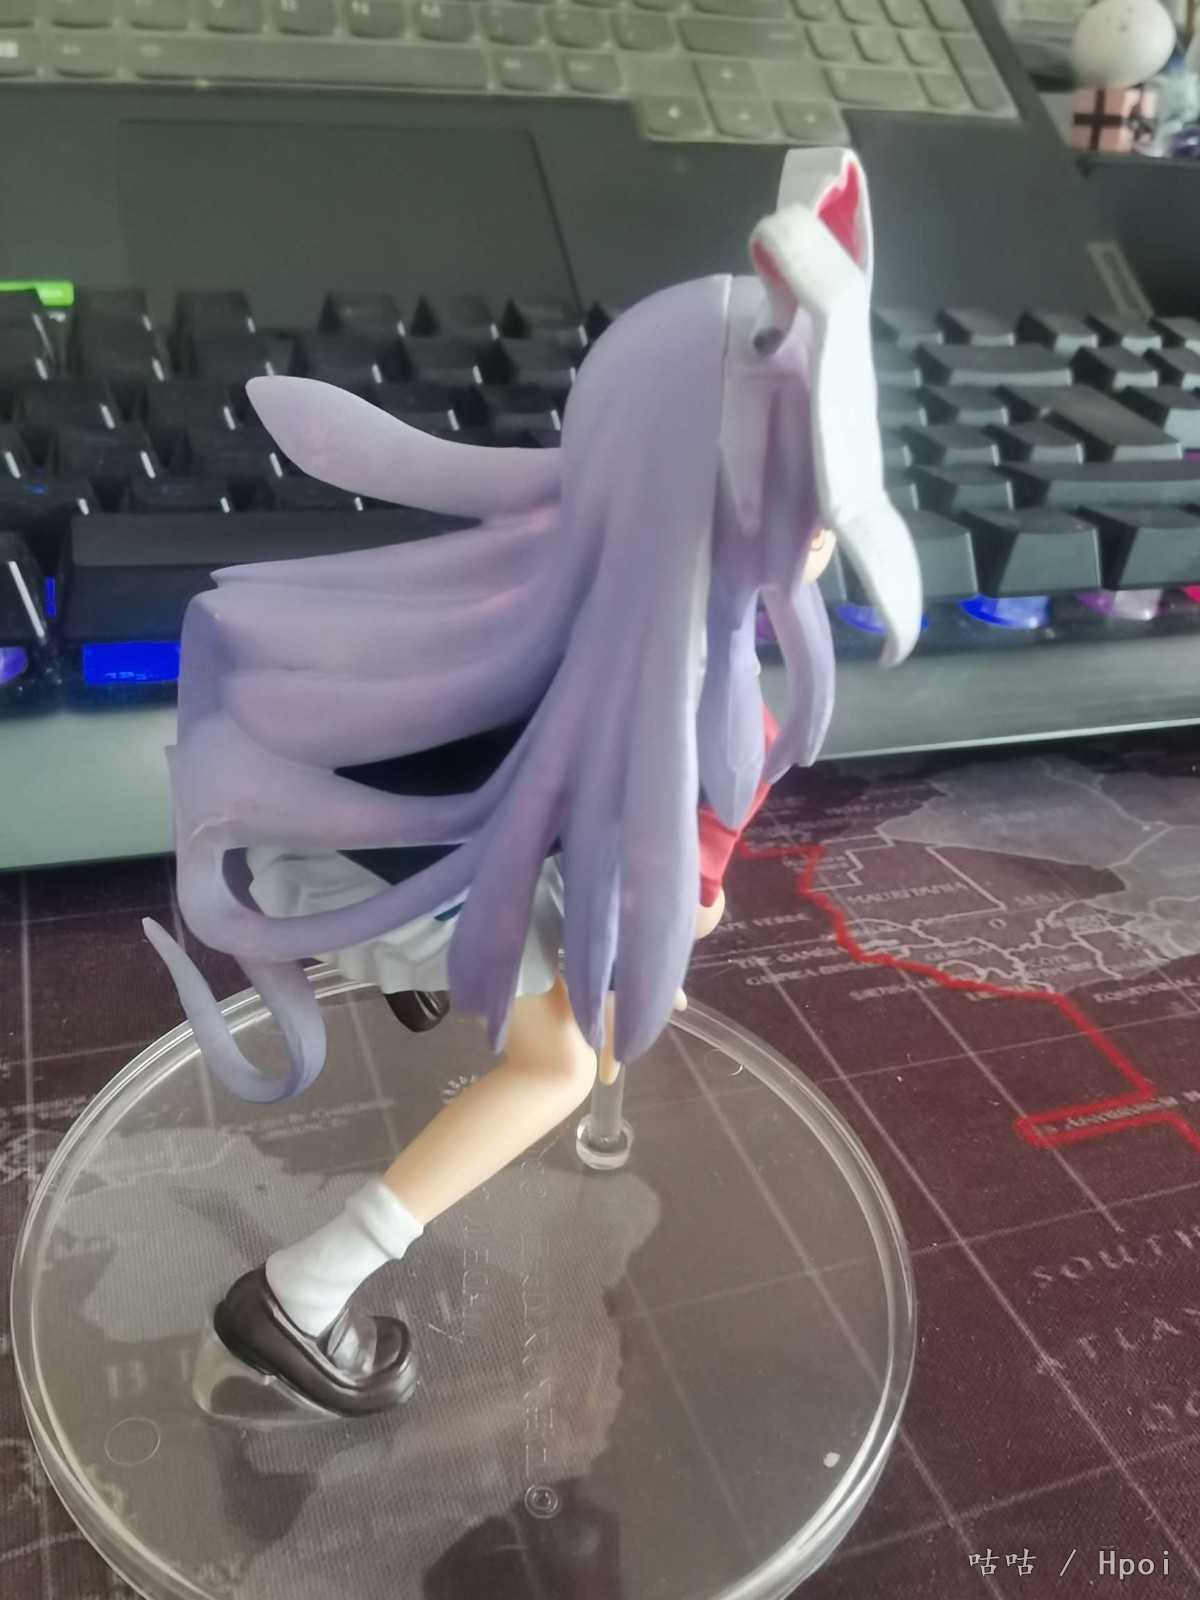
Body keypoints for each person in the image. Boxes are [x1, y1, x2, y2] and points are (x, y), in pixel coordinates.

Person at [145, 147, 921, 1417]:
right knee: (566, 1061)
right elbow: (676, 906)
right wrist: (684, 905)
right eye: (810, 511)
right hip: (387, 856)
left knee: (573, 967)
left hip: (354, 828)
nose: (818, 540)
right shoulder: (701, 701)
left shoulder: (544, 572)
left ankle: (418, 973)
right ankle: (300, 1295)